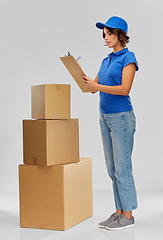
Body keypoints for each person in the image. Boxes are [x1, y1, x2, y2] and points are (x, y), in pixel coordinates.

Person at [82, 16, 139, 231]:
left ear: (120, 35)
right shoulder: (106, 60)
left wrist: (97, 84)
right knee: (112, 168)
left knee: (123, 168)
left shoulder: (128, 58)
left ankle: (129, 215)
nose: (105, 38)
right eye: (104, 34)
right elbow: (94, 88)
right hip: (104, 116)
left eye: (109, 34)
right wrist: (81, 76)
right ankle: (118, 212)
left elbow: (124, 89)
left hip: (122, 117)